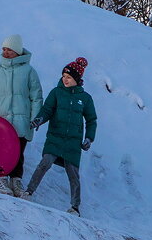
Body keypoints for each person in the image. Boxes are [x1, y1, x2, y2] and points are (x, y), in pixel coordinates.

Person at [21, 57, 98, 215]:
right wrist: (39, 120)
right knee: (44, 164)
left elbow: (91, 120)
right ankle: (28, 192)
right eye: (63, 76)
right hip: (55, 138)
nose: (65, 79)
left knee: (73, 175)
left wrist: (89, 138)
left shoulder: (85, 98)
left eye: (69, 77)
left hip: (73, 143)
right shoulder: (56, 93)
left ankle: (75, 207)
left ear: (77, 79)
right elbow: (47, 110)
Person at [0, 34, 43, 196]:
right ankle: (2, 179)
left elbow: (36, 96)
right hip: (2, 120)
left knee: (17, 152)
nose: (6, 52)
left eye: (9, 49)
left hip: (22, 121)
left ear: (17, 51)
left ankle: (16, 180)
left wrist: (35, 118)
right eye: (3, 49)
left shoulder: (29, 71)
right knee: (2, 150)